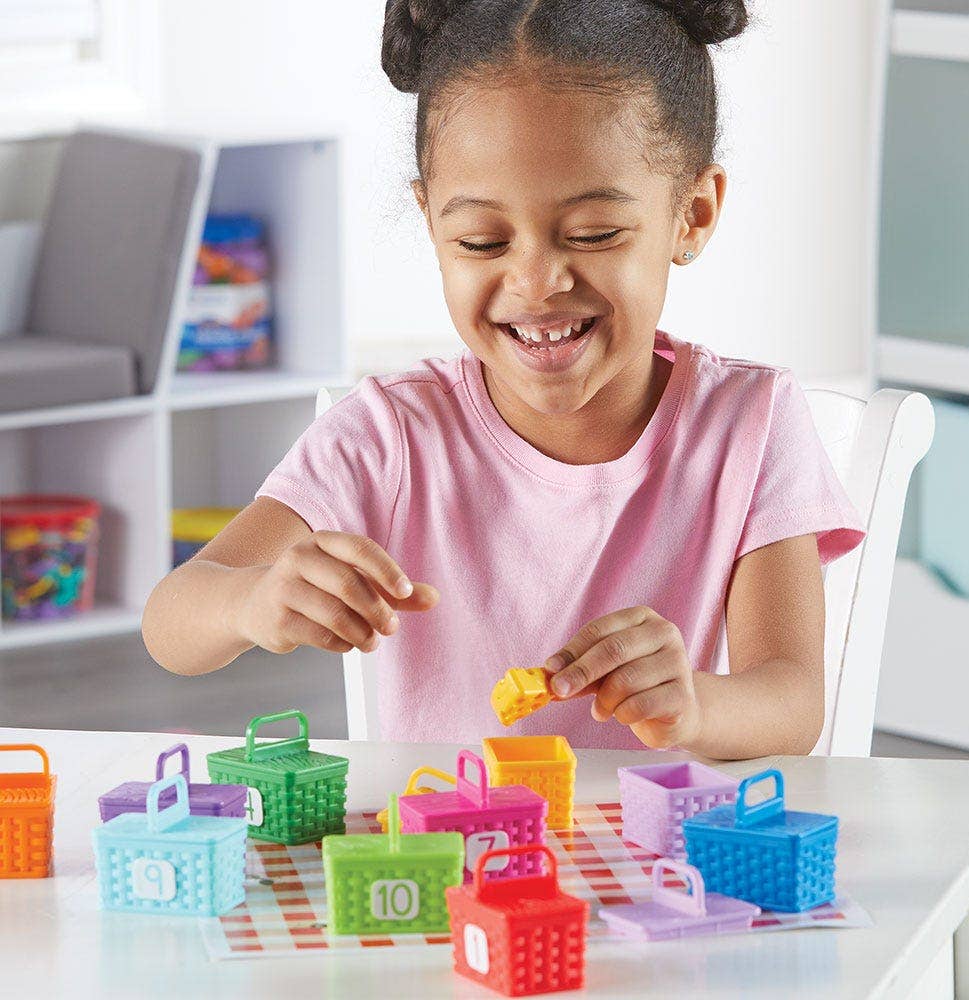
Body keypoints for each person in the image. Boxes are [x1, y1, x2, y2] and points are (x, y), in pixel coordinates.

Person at [142, 0, 866, 758]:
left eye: (593, 234)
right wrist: (252, 600)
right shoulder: (392, 435)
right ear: (432, 226)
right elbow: (171, 626)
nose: (536, 281)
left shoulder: (747, 424)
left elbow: (790, 701)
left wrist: (696, 704)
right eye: (482, 241)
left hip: (645, 860)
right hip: (441, 857)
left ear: (693, 213)